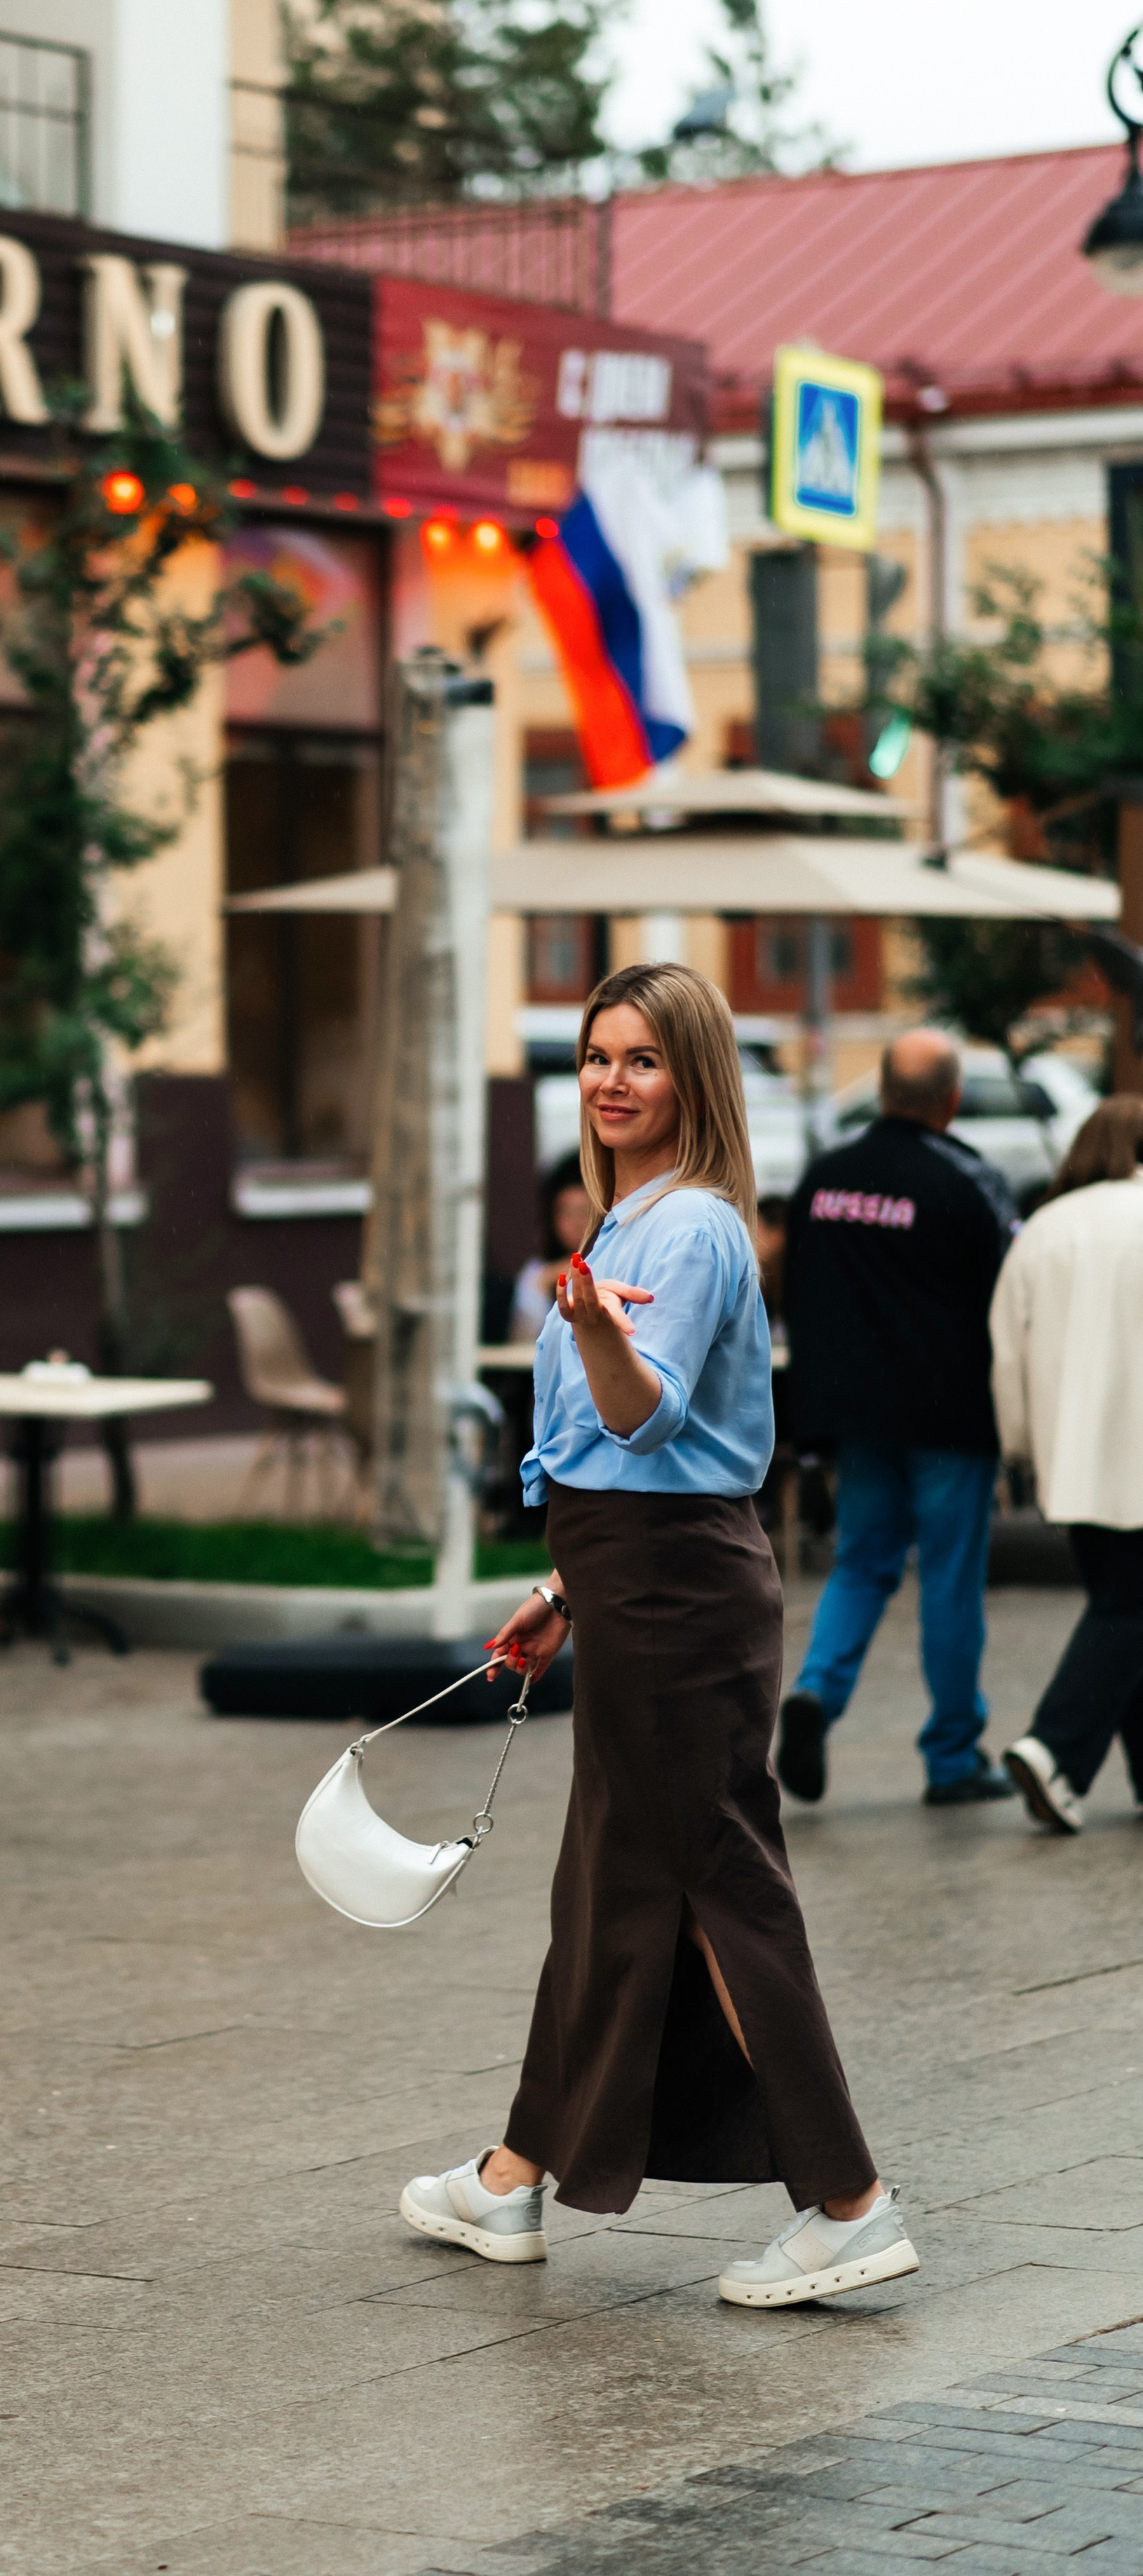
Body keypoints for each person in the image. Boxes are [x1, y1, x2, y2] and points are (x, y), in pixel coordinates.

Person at [398, 961, 916, 2310]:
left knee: (721, 1883)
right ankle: (515, 2174)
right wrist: (569, 1591)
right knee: (613, 1888)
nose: (613, 1078)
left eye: (642, 1056)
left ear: (693, 1075)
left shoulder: (683, 1231)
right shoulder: (628, 1221)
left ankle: (849, 2199)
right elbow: (633, 1463)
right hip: (637, 1580)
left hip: (676, 1594)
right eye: (595, 1055)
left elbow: (642, 1417)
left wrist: (587, 1330)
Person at [775, 1030, 1018, 1808]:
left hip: (853, 1412)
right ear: (950, 1100)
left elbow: (795, 1285)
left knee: (861, 1561)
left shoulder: (824, 1178)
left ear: (881, 1091)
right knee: (949, 1579)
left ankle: (815, 1691)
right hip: (950, 1412)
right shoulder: (968, 1177)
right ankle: (951, 1758)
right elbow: (1014, 1290)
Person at [994, 1096, 1143, 1831]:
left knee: (1124, 1603)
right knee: (1127, 1608)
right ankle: (1053, 1746)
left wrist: (1019, 1447)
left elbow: (1006, 1354)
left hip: (1072, 1463)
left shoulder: (1043, 1230)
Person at [509, 1153, 594, 1341]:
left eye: (584, 1212)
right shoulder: (538, 1272)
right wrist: (543, 1282)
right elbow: (522, 1343)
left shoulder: (615, 1260)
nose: (577, 1223)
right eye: (567, 1213)